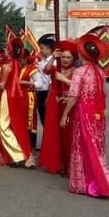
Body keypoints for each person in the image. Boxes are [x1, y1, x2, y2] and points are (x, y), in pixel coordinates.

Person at [59, 33, 109, 198]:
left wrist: (64, 115)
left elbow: (74, 95)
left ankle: (87, 183)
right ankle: (97, 182)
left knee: (82, 145)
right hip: (98, 114)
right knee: (96, 146)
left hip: (84, 114)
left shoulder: (80, 71)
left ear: (81, 54)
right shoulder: (100, 72)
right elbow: (101, 94)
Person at [38, 40, 77, 175]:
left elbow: (80, 87)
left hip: (69, 102)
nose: (65, 60)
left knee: (67, 133)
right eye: (64, 57)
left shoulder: (77, 71)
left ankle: (68, 164)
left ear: (74, 58)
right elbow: (46, 70)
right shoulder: (56, 67)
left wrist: (64, 80)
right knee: (53, 132)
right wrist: (54, 56)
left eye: (68, 57)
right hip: (54, 102)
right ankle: (54, 163)